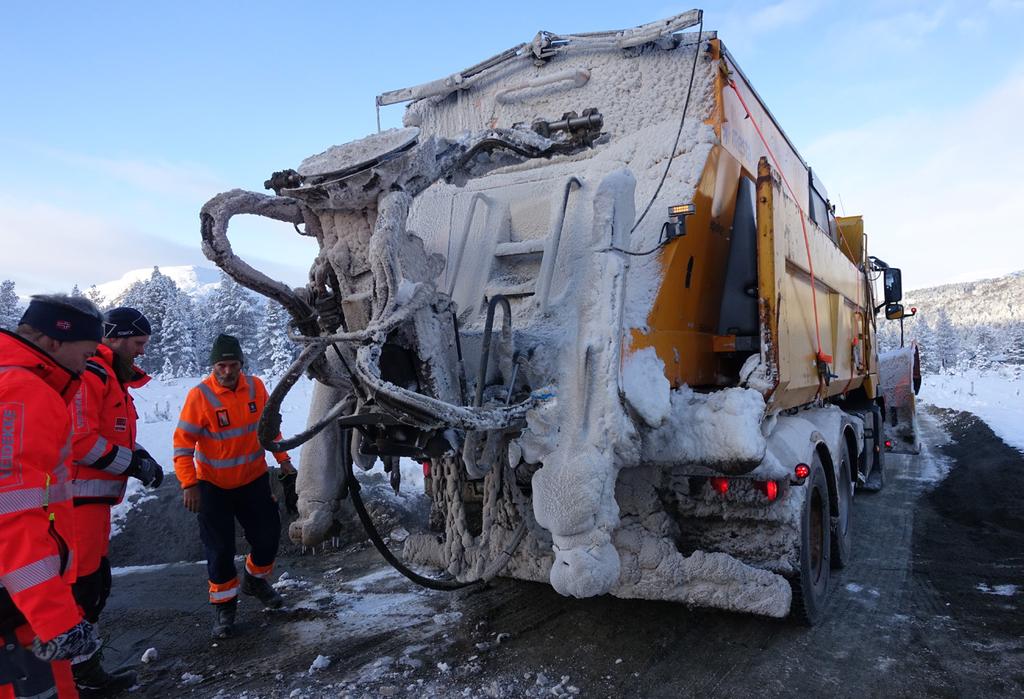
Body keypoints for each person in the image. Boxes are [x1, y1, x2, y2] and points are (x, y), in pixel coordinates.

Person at [0, 295, 105, 698]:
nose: (90, 361)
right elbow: (13, 513)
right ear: (55, 341)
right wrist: (55, 618)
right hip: (17, 612)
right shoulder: (25, 393)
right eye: (88, 350)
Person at [172, 334, 295, 638]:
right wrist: (189, 484)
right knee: (220, 549)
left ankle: (254, 581)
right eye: (221, 365)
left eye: (233, 364)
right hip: (213, 486)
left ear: (242, 363)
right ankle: (225, 609)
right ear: (213, 365)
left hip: (253, 480)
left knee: (267, 537)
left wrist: (284, 461)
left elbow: (270, 431)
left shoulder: (256, 388)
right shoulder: (199, 397)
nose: (227, 371)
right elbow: (182, 445)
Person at [68, 307, 164, 695]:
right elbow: (80, 441)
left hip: (93, 505)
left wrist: (141, 456)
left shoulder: (110, 379)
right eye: (138, 343)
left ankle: (83, 668)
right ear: (115, 337)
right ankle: (77, 674)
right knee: (81, 589)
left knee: (94, 586)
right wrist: (133, 465)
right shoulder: (92, 376)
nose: (141, 352)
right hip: (75, 505)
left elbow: (113, 435)